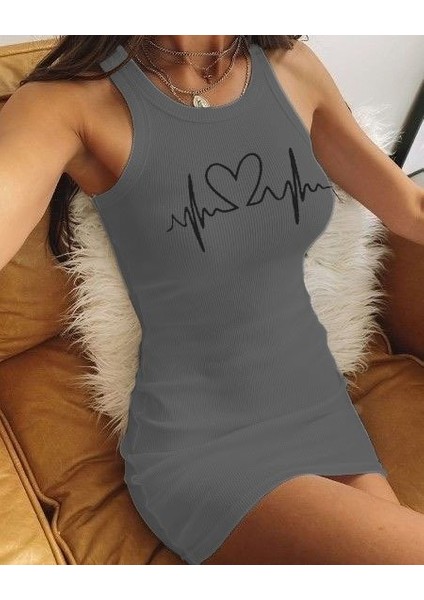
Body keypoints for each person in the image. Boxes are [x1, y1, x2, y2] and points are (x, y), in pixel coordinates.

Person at [1, 35, 423, 565]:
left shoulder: (291, 67)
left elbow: (409, 207)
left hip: (321, 410)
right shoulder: (69, 102)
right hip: (202, 446)